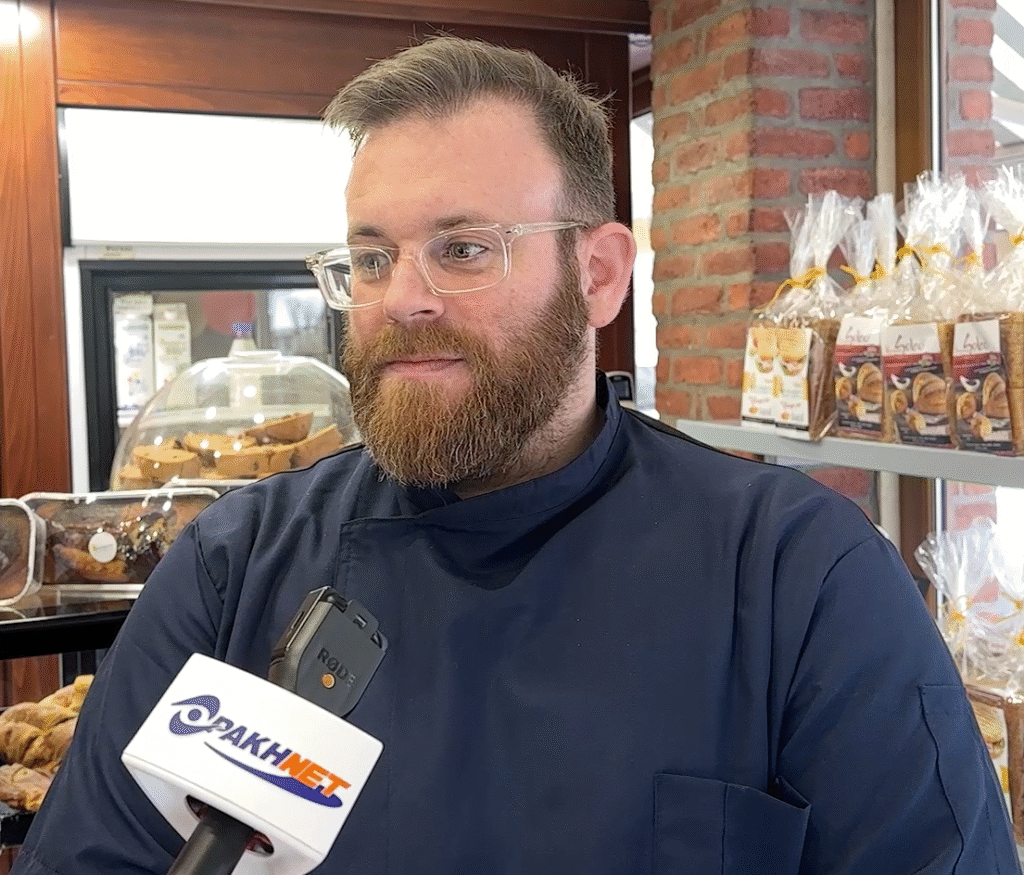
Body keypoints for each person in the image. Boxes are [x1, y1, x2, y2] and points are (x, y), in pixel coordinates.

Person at [13, 36, 1020, 875]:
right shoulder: (232, 568)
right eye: (372, 257)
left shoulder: (799, 579)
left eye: (463, 248)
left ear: (598, 275)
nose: (403, 298)